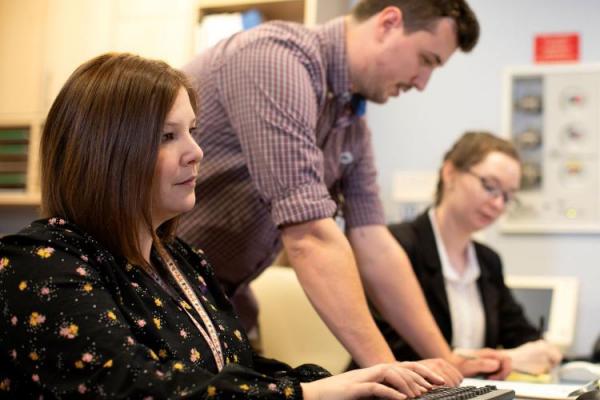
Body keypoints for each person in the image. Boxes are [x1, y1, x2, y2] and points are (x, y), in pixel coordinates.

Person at [0, 52, 449, 399]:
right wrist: (309, 393)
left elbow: (232, 372)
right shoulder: (38, 264)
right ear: (106, 153)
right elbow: (134, 387)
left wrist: (360, 382)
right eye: (167, 136)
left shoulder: (183, 260)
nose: (196, 151)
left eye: (192, 130)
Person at [179, 0, 509, 382]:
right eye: (426, 60)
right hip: (143, 292)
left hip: (213, 302)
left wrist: (447, 361)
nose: (422, 83)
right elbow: (309, 237)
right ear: (388, 22)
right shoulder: (275, 60)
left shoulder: (350, 118)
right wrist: (390, 372)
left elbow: (375, 244)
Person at [372, 131, 562, 375]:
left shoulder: (487, 261)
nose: (498, 204)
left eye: (508, 196)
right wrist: (506, 359)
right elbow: (398, 352)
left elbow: (522, 335)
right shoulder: (395, 246)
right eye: (490, 187)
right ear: (450, 173)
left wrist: (541, 351)